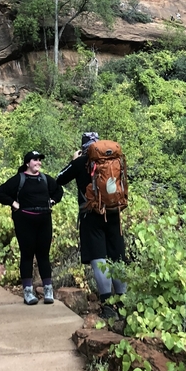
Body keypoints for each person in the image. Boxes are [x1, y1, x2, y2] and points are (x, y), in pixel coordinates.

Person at [56, 132, 128, 319]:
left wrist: (74, 161)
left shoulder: (81, 162)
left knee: (99, 259)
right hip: (114, 213)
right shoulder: (114, 160)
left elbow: (59, 178)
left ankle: (107, 304)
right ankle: (123, 301)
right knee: (118, 257)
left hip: (91, 216)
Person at [0, 150, 64, 305]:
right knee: (27, 255)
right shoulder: (20, 179)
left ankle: (48, 291)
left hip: (44, 220)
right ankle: (27, 292)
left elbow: (59, 190)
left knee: (43, 255)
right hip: (25, 222)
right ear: (27, 163)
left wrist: (52, 201)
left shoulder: (45, 179)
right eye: (35, 160)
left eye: (39, 160)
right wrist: (13, 203)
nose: (38, 162)